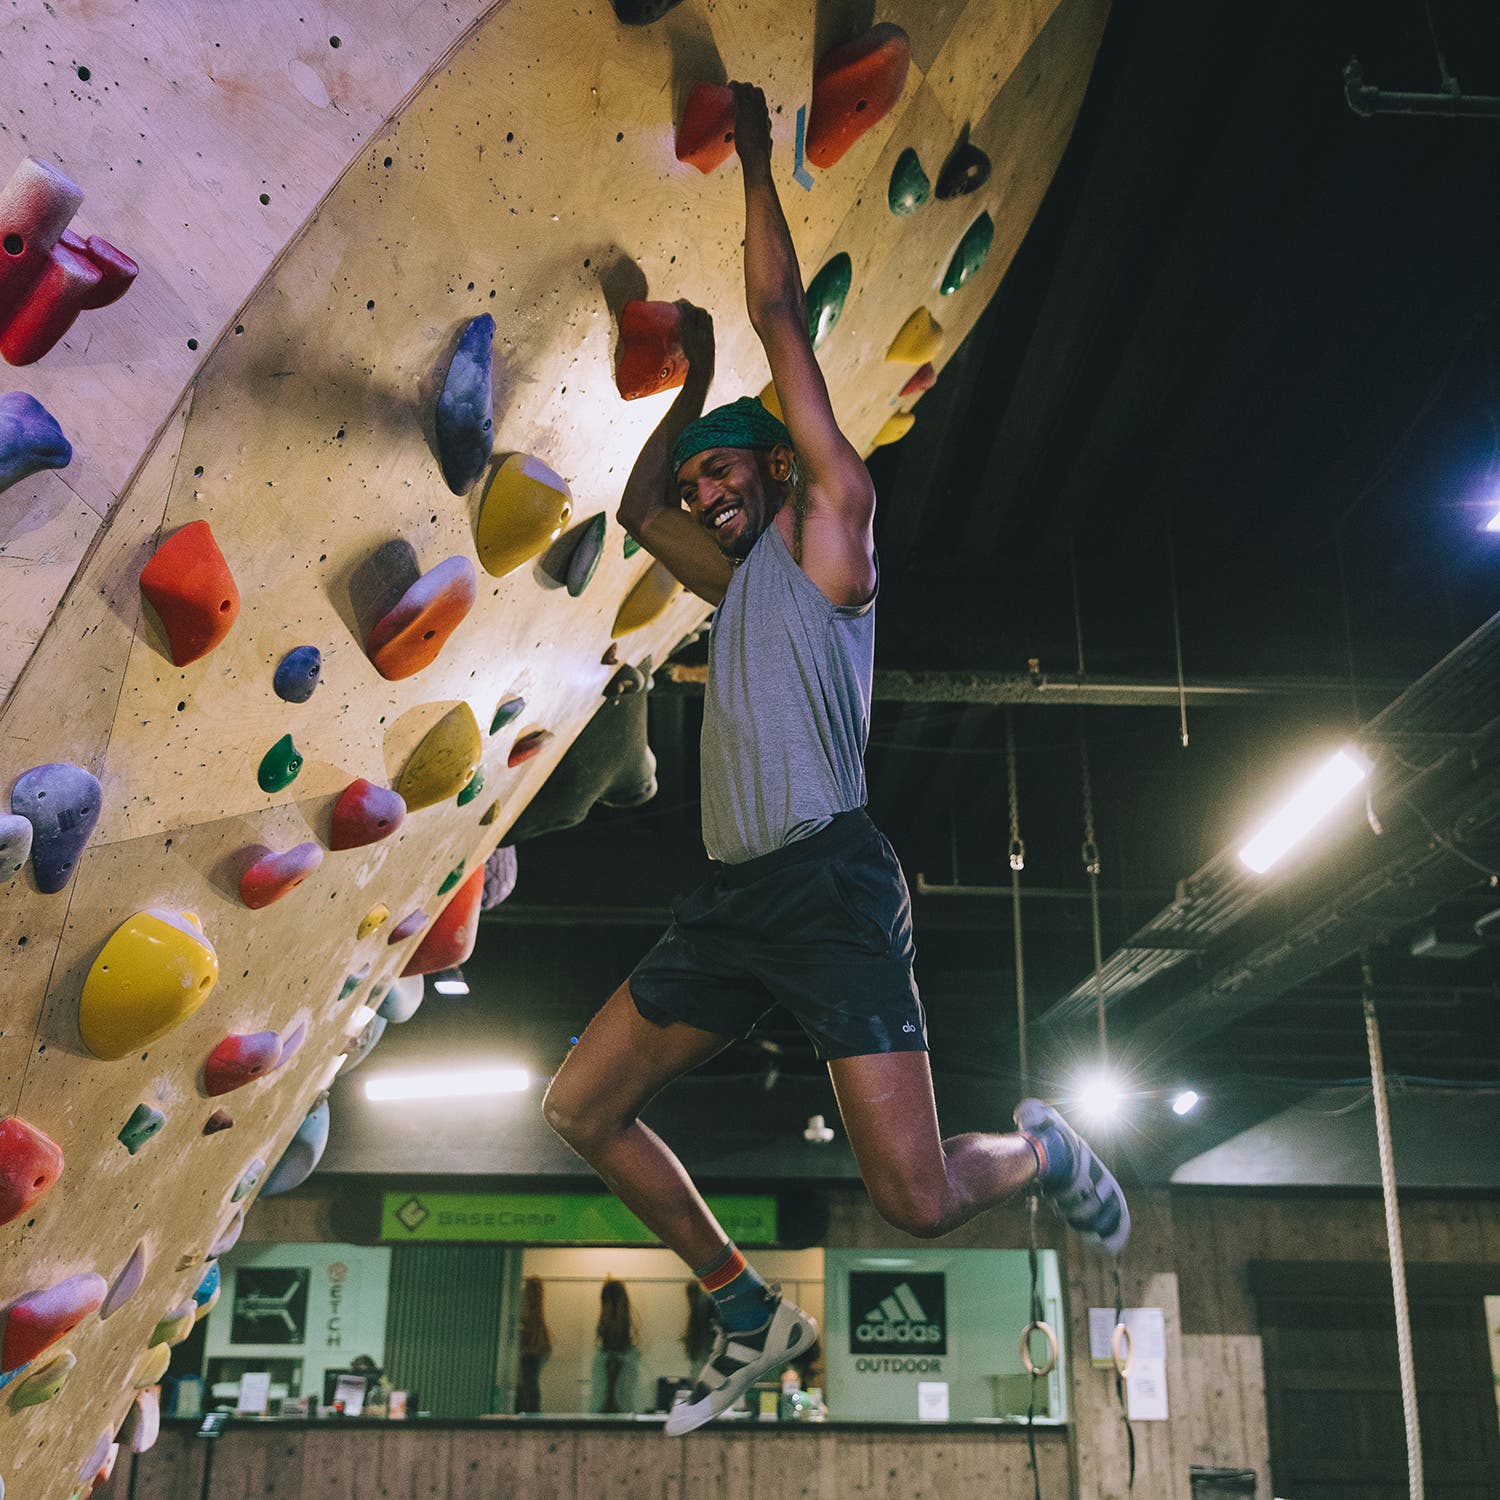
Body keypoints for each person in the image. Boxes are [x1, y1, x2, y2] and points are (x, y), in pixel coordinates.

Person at [543, 81, 1129, 1438]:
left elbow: (777, 320)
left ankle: (1038, 1148)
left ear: (779, 467)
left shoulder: (833, 538)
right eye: (703, 488)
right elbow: (633, 503)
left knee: (913, 1201)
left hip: (829, 889)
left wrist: (756, 159)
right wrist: (682, 397)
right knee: (581, 1106)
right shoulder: (732, 580)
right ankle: (748, 1309)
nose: (704, 496)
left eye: (724, 473)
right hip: (737, 905)